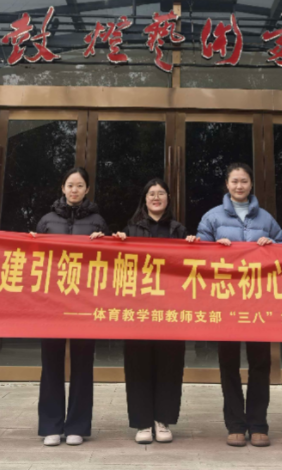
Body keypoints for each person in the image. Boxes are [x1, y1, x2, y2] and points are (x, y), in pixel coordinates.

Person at [196, 163, 282, 448]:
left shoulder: (266, 218)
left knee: (260, 363)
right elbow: (197, 255)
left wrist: (272, 245)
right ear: (227, 184)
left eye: (244, 181)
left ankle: (258, 424)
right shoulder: (212, 217)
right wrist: (213, 249)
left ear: (251, 184)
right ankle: (235, 423)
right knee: (229, 363)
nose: (239, 186)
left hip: (259, 302)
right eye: (234, 181)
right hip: (225, 302)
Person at [114, 178, 198, 445]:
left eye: (161, 193)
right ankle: (142, 422)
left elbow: (189, 266)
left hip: (170, 310)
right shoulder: (130, 230)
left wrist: (193, 245)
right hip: (138, 310)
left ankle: (163, 420)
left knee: (169, 365)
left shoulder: (178, 230)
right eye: (151, 193)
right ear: (145, 199)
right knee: (138, 365)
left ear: (168, 199)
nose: (156, 197)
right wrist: (117, 243)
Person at [34, 167, 108, 448]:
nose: (74, 190)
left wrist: (105, 242)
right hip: (51, 304)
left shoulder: (98, 221)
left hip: (84, 304)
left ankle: (77, 426)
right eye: (70, 185)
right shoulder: (46, 221)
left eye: (79, 185)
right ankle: (51, 426)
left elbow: (110, 262)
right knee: (50, 365)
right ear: (62, 188)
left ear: (87, 189)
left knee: (82, 365)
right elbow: (34, 260)